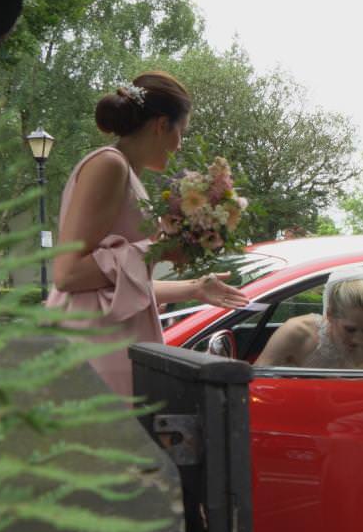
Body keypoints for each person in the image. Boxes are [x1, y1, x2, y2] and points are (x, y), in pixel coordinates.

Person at [47, 71, 247, 396]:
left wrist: (195, 288)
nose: (179, 145)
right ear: (161, 125)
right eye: (181, 132)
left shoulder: (127, 173)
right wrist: (161, 249)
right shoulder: (109, 165)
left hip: (107, 342)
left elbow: (114, 284)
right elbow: (68, 275)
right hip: (92, 347)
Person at [255, 270, 363, 369]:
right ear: (330, 315)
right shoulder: (296, 332)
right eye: (350, 329)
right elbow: (257, 380)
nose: (358, 339)